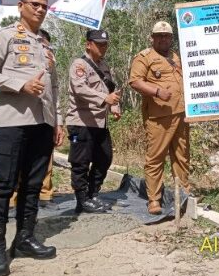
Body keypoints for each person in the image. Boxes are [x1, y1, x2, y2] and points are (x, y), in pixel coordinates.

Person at [0, 0, 64, 276]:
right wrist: (20, 84)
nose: (40, 10)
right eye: (35, 5)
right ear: (20, 6)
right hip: (14, 120)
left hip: (43, 123)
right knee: (4, 184)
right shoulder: (2, 36)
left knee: (33, 184)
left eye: (44, 6)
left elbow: (54, 87)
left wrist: (58, 122)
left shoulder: (45, 44)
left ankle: (24, 239)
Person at [129, 21, 189, 215]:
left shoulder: (176, 56)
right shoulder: (144, 57)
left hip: (181, 114)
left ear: (171, 38)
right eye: (159, 35)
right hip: (158, 117)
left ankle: (184, 192)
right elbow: (135, 81)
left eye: (167, 36)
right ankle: (154, 200)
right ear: (152, 37)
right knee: (156, 158)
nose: (163, 39)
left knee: (182, 156)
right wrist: (156, 91)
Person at [66, 29, 121, 213]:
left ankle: (93, 194)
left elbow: (110, 90)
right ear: (88, 44)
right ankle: (81, 200)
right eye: (99, 44)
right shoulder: (79, 65)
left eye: (105, 44)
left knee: (105, 158)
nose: (103, 48)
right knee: (80, 162)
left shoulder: (104, 66)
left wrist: (114, 105)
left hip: (99, 123)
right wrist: (105, 99)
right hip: (81, 122)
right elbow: (80, 89)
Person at [9, 28, 56, 208]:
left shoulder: (50, 62)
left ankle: (45, 195)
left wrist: (57, 121)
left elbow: (55, 91)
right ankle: (13, 199)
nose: (45, 48)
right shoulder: (20, 59)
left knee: (46, 159)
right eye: (42, 43)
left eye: (47, 45)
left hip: (46, 116)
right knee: (19, 159)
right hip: (22, 115)